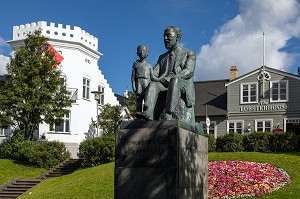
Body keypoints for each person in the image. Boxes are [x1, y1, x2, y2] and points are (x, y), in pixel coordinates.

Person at [136, 26, 196, 121]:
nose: (165, 39)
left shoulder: (189, 53)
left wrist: (172, 78)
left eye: (168, 36)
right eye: (164, 36)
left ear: (177, 37)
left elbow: (189, 71)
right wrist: (141, 66)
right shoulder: (162, 57)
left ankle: (168, 114)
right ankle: (148, 112)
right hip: (164, 85)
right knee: (153, 84)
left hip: (182, 84)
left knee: (174, 81)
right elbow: (154, 74)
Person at [131, 45, 152, 112]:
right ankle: (138, 114)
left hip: (146, 83)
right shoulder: (136, 65)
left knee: (147, 99)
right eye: (140, 50)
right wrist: (134, 86)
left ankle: (146, 113)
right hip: (138, 83)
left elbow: (153, 77)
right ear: (137, 53)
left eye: (143, 50)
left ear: (147, 53)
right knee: (138, 99)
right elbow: (133, 76)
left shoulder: (149, 66)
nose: (142, 52)